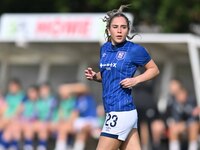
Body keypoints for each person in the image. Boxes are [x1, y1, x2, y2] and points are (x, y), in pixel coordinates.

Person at [84, 5, 159, 150]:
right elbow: (109, 75)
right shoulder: (104, 49)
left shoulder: (135, 50)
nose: (119, 30)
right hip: (115, 111)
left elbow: (154, 70)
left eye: (123, 27)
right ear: (108, 30)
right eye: (115, 27)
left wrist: (135, 80)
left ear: (128, 29)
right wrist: (95, 76)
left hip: (121, 112)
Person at [166, 79, 199, 150]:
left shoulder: (191, 102)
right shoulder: (172, 103)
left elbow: (194, 118)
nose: (182, 96)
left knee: (193, 126)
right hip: (178, 126)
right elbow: (171, 117)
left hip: (190, 125)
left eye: (183, 94)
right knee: (173, 129)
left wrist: (185, 124)